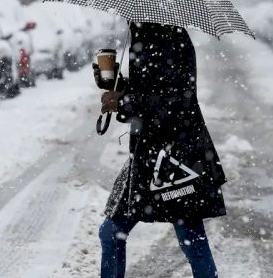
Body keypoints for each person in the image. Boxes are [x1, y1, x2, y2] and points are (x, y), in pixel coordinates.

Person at [94, 22, 226, 278]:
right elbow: (150, 91)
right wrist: (116, 85)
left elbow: (179, 100)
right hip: (146, 154)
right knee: (111, 232)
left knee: (192, 239)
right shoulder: (144, 34)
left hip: (176, 156)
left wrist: (123, 102)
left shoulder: (171, 38)